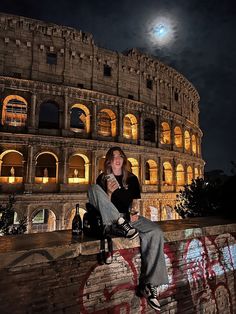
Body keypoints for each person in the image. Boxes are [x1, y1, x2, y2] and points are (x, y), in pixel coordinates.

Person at [88, 146, 169, 311]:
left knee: (156, 232)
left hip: (128, 220)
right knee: (93, 189)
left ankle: (149, 285)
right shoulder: (102, 179)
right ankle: (119, 223)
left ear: (123, 159)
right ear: (109, 160)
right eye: (113, 156)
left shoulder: (132, 178)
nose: (117, 159)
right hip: (111, 219)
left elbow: (134, 203)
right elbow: (103, 206)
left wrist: (133, 213)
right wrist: (109, 193)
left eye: (120, 156)